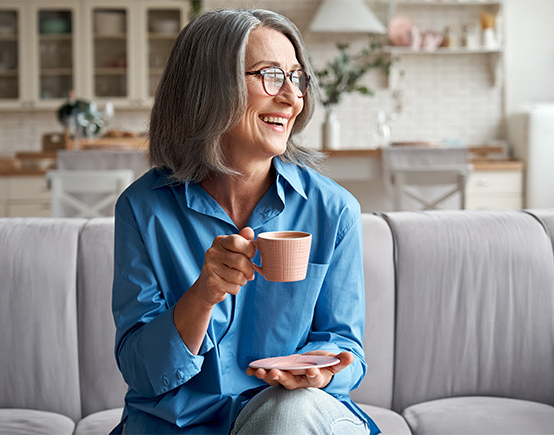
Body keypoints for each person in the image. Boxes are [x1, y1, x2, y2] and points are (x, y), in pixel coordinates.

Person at [111, 8, 376, 435]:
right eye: (271, 75)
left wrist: (322, 372)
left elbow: (346, 347)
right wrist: (203, 294)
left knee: (286, 415)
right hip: (179, 426)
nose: (292, 97)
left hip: (294, 417)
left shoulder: (333, 210)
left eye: (297, 77)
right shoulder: (143, 210)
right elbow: (142, 372)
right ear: (209, 87)